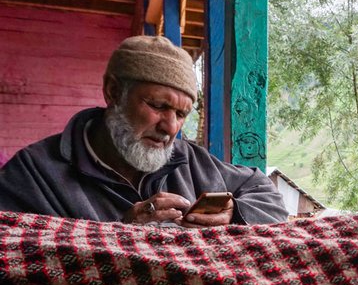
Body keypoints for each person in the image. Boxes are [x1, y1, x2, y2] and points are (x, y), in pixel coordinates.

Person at [0, 35, 288, 226]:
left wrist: (233, 212)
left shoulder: (187, 158)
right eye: (158, 105)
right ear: (113, 92)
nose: (171, 127)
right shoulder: (34, 174)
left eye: (181, 114)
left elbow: (265, 193)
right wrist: (119, 237)